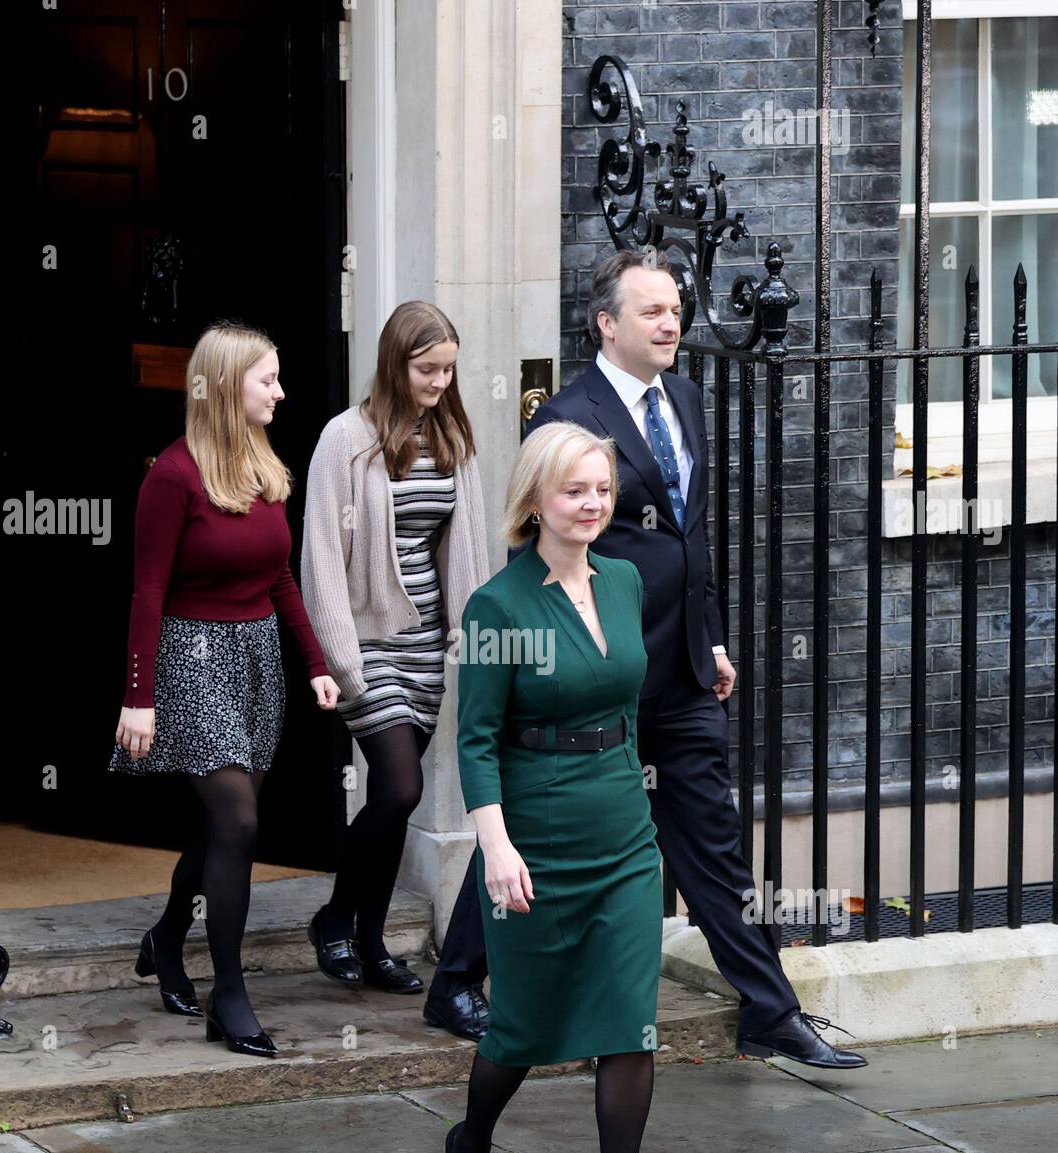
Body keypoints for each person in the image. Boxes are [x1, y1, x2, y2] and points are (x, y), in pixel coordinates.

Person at [428, 249, 866, 1070]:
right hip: (598, 668)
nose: (671, 324)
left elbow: (687, 537)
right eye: (652, 312)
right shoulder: (566, 412)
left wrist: (711, 635)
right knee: (525, 822)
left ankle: (768, 1010)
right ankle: (457, 977)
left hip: (682, 668)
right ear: (606, 323)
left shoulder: (688, 399)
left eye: (675, 310)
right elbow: (549, 542)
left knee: (710, 836)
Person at [440, 420, 668, 1153]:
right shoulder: (498, 604)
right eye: (574, 490)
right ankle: (471, 1141)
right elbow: (476, 740)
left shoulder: (622, 580)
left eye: (602, 490)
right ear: (534, 499)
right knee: (521, 1030)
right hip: (531, 839)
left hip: (621, 838)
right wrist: (494, 846)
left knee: (628, 1025)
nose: (592, 504)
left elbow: (626, 706)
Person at [110, 321, 339, 1056]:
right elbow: (145, 591)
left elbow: (279, 578)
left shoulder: (264, 469)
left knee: (220, 825)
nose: (280, 391)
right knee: (238, 823)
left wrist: (314, 663)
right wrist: (137, 695)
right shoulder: (172, 477)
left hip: (256, 657)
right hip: (190, 652)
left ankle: (170, 931)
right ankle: (230, 995)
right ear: (224, 386)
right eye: (266, 379)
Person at [298, 302, 490, 992]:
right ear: (395, 362)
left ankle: (367, 940)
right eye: (427, 368)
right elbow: (320, 554)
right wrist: (340, 659)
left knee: (393, 796)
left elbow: (464, 549)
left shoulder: (449, 437)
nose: (440, 380)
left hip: (425, 643)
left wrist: (472, 637)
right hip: (367, 639)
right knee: (401, 783)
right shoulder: (344, 439)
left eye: (447, 368)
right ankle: (338, 920)